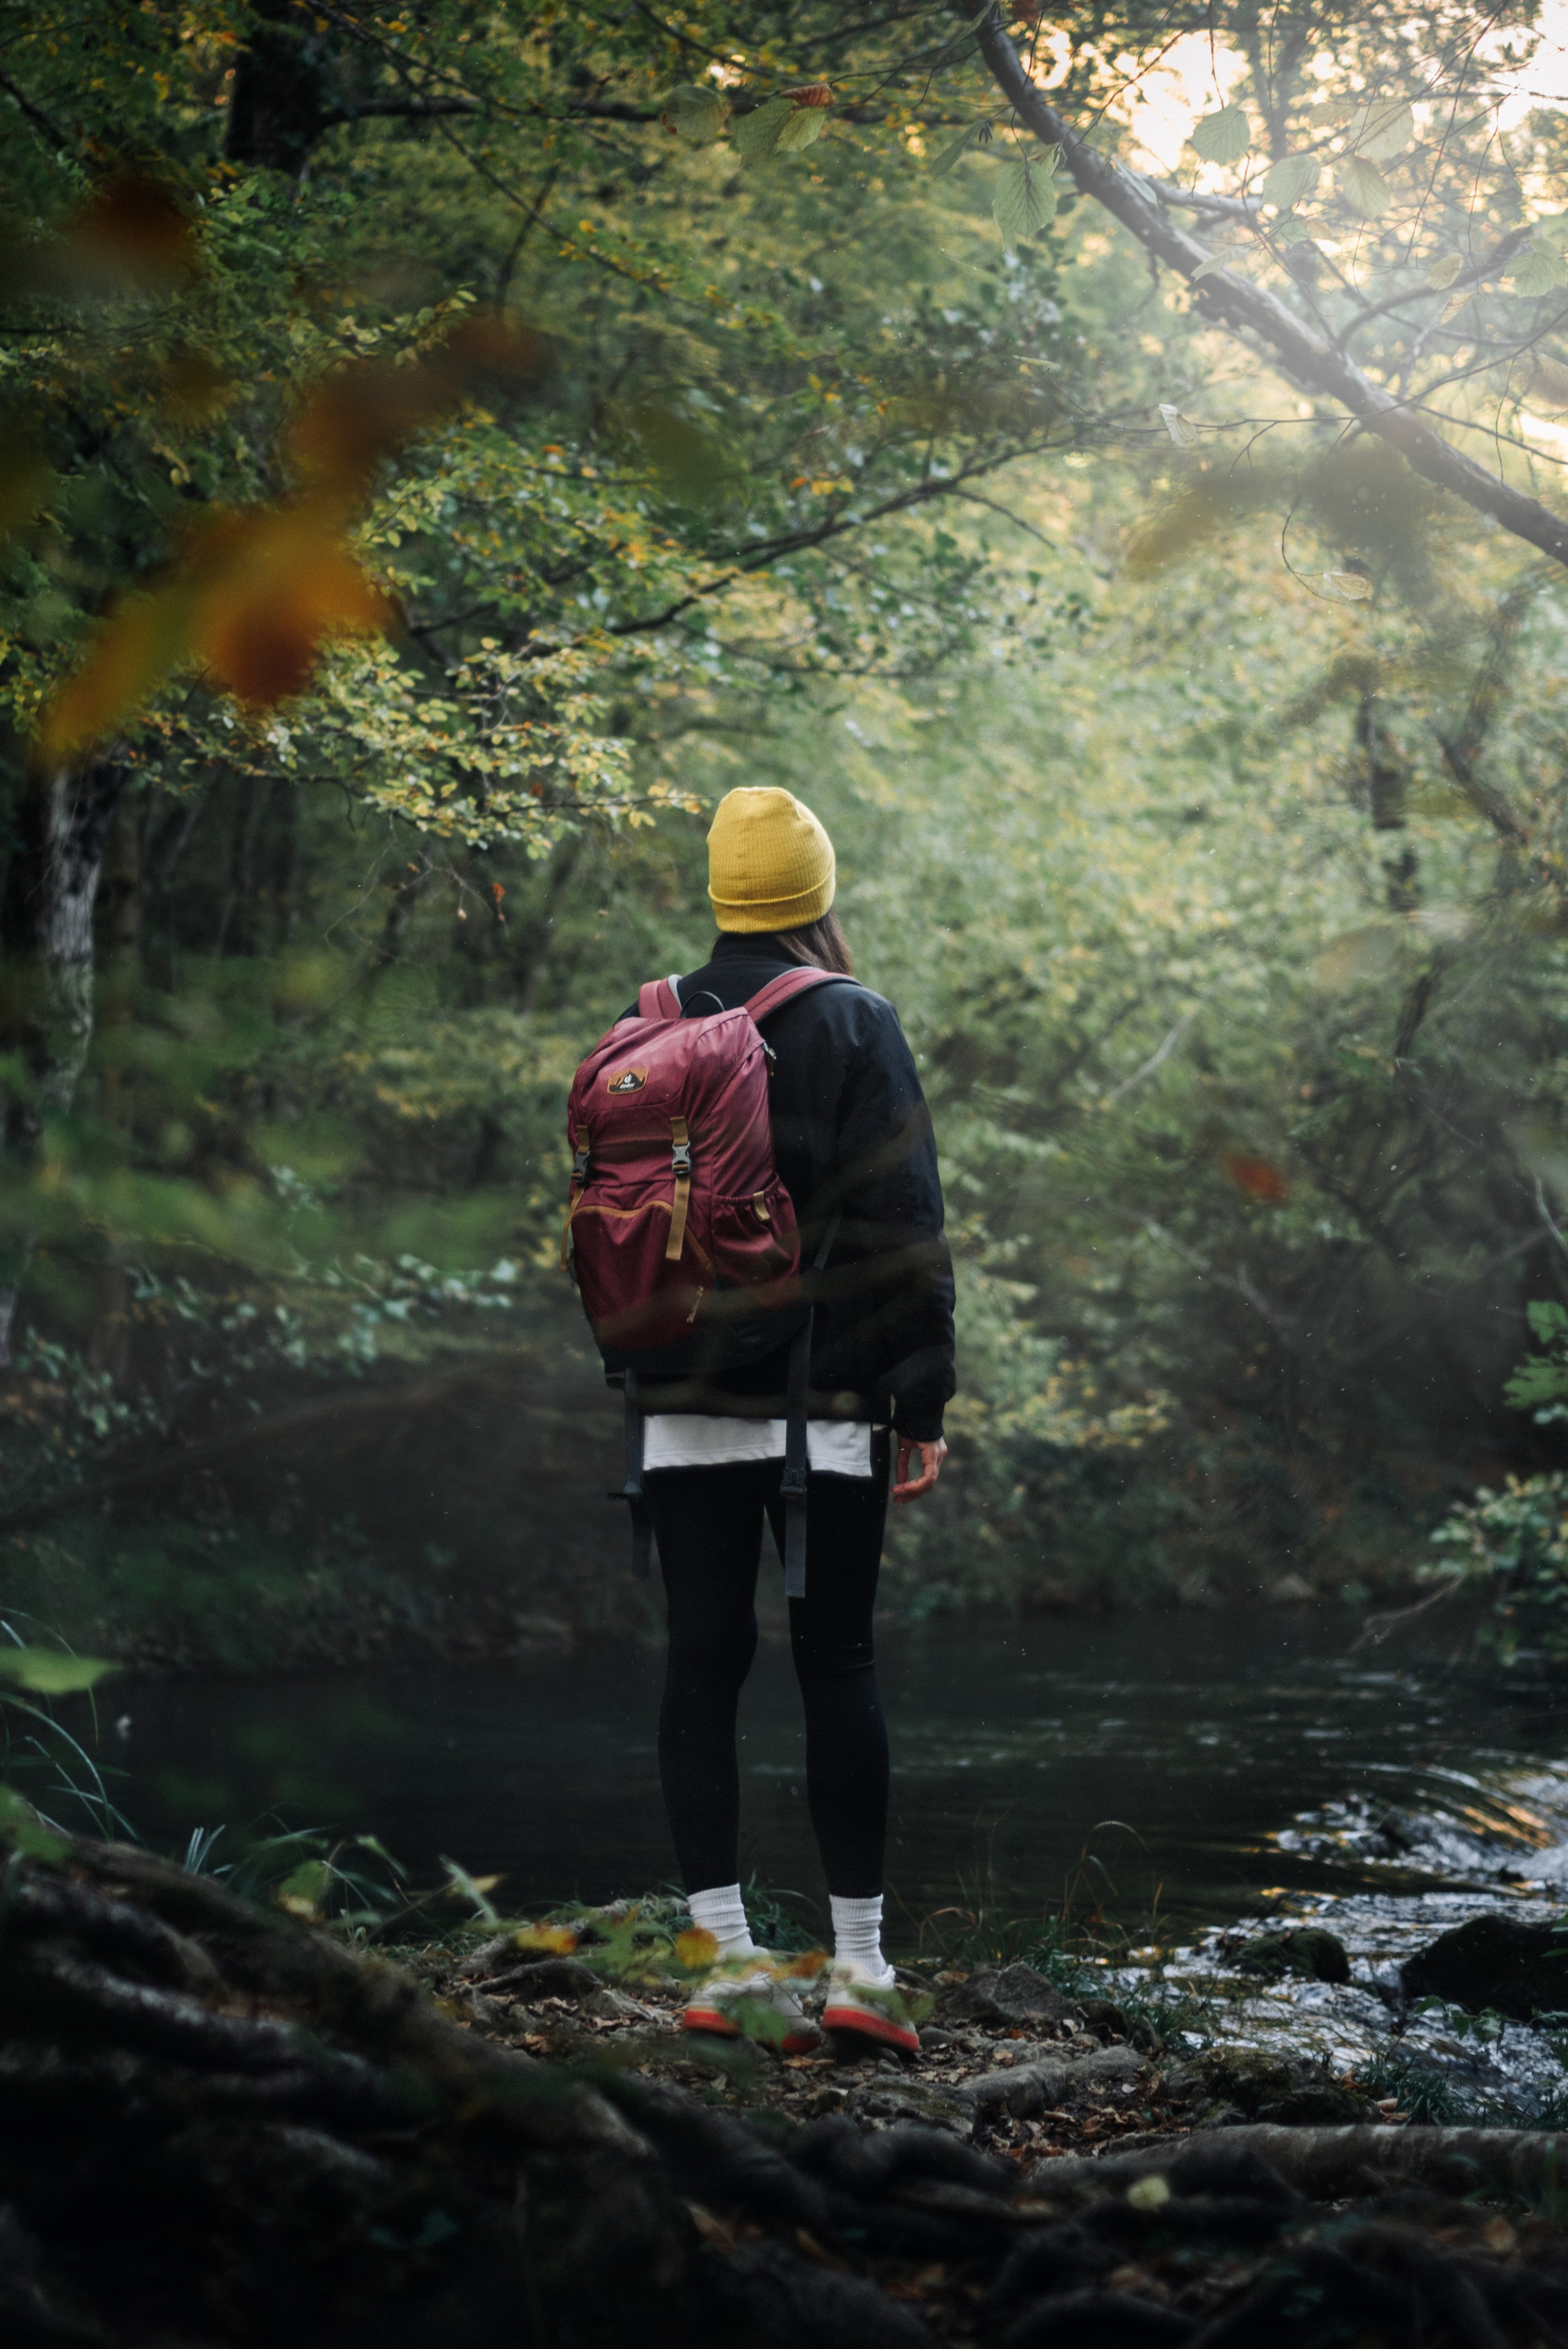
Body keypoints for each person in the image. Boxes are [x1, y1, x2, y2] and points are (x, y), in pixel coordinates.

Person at [634, 785, 954, 2054]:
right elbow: (904, 1228)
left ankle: (719, 1962)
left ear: (722, 892)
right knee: (839, 1663)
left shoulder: (644, 1018)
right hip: (827, 1404)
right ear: (815, 895)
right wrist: (917, 1398)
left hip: (677, 1396)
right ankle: (859, 1978)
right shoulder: (853, 1019)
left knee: (699, 1661)